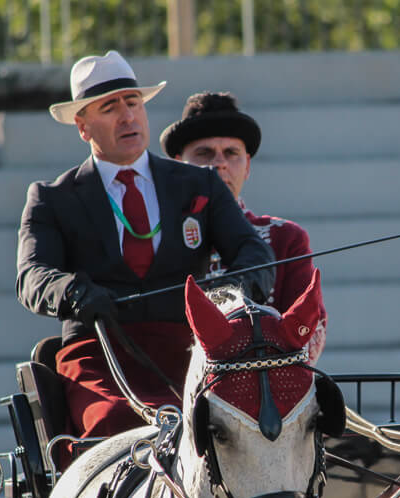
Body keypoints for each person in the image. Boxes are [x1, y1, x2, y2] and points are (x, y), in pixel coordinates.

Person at [16, 51, 275, 443]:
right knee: (117, 425)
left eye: (133, 103)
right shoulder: (51, 198)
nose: (128, 117)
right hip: (98, 354)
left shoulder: (200, 184)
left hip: (191, 353)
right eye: (109, 107)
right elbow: (32, 277)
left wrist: (228, 294)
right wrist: (73, 291)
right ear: (83, 127)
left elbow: (254, 254)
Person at [160, 92, 327, 360]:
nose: (219, 163)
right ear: (178, 165)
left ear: (247, 165)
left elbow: (311, 329)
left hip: (262, 394)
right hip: (166, 391)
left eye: (231, 153)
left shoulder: (285, 238)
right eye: (204, 153)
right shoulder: (153, 236)